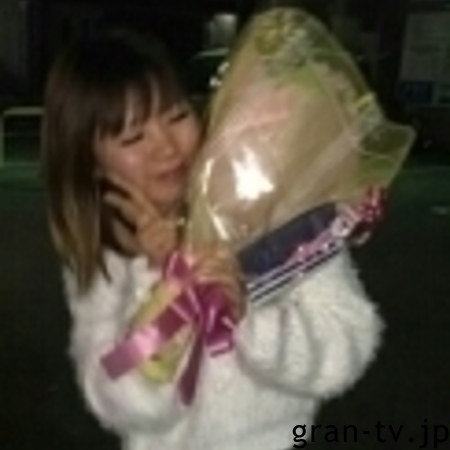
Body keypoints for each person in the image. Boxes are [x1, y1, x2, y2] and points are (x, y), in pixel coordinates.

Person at [41, 30, 382, 450]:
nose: (166, 147)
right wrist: (164, 286)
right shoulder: (107, 258)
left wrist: (248, 320)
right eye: (133, 138)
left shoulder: (277, 202)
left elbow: (346, 346)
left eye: (176, 116)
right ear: (91, 163)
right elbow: (121, 403)